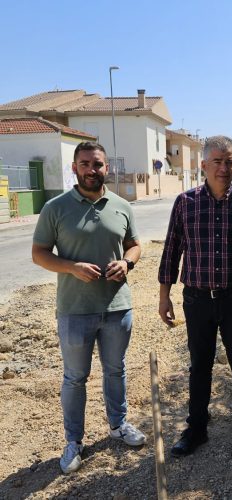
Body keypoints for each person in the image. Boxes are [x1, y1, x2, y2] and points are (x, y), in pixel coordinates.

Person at [32, 141, 145, 474]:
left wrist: (127, 263)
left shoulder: (123, 206)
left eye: (97, 164)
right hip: (74, 310)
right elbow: (39, 253)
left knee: (116, 370)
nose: (91, 170)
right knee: (74, 378)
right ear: (74, 168)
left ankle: (118, 425)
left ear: (106, 168)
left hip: (117, 308)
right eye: (84, 164)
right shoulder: (55, 208)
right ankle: (73, 442)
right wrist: (71, 267)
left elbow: (135, 245)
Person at [158, 135, 232, 464]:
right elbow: (171, 253)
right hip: (196, 300)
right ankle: (196, 430)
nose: (224, 168)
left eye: (230, 161)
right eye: (218, 162)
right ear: (203, 165)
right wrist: (164, 298)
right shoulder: (185, 203)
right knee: (200, 368)